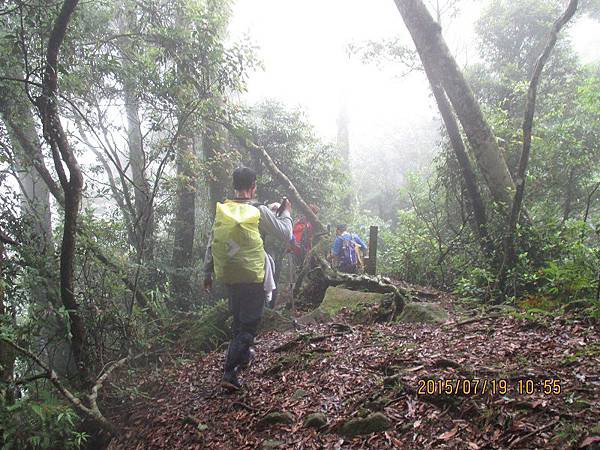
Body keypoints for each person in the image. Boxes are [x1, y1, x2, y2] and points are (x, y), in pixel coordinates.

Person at [203, 167, 292, 390]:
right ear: (253, 186)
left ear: (234, 185)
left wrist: (207, 272)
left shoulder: (224, 210)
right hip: (253, 275)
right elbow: (285, 234)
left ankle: (242, 357)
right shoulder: (258, 211)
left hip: (230, 274)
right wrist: (287, 212)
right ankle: (229, 372)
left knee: (238, 319)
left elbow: (212, 242)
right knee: (249, 325)